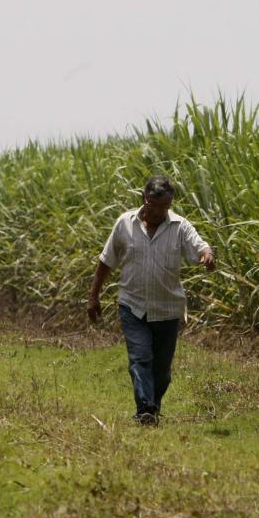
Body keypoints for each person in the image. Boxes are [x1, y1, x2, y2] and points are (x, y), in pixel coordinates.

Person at [88, 176, 216, 426]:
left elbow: (200, 245)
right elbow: (106, 261)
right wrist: (94, 296)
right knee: (140, 358)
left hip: (167, 310)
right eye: (154, 205)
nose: (159, 212)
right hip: (132, 306)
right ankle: (145, 409)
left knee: (162, 372)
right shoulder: (125, 223)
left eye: (165, 207)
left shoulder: (180, 226)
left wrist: (207, 255)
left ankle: (152, 407)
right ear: (144, 200)